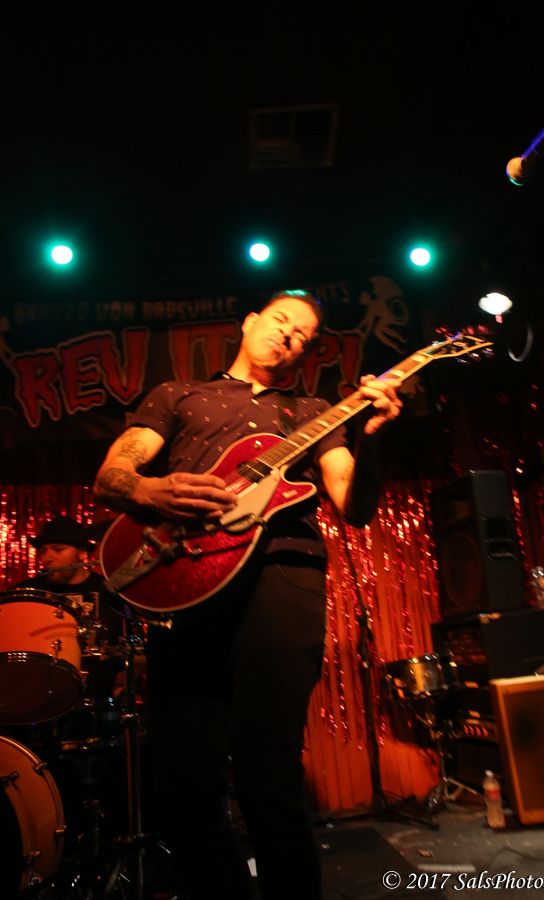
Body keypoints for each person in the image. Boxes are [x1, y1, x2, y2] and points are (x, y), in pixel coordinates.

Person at [93, 289, 403, 900]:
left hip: (282, 573)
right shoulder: (179, 394)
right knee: (185, 784)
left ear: (306, 354)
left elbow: (353, 504)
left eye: (303, 335)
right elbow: (111, 476)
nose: (289, 334)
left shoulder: (315, 410)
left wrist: (373, 436)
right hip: (184, 578)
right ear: (250, 322)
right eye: (282, 320)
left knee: (269, 770)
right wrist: (150, 492)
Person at [13, 515, 124, 699]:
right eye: (43, 551)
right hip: (40, 692)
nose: (48, 558)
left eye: (58, 549)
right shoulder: (27, 592)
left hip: (99, 695)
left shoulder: (108, 590)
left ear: (81, 553)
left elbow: (121, 644)